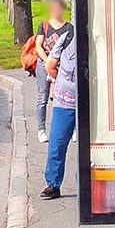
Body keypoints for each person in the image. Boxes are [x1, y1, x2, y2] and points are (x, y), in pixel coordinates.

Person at [40, 22, 78, 200]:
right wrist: (63, 82)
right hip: (64, 102)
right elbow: (50, 65)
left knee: (89, 148)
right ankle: (53, 185)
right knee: (57, 144)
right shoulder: (67, 38)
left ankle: (85, 187)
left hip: (90, 103)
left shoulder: (98, 40)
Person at [32, 0, 73, 144]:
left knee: (64, 98)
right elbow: (38, 45)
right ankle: (41, 130)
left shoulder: (69, 28)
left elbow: (70, 49)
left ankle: (70, 130)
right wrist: (46, 61)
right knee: (42, 97)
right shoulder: (44, 24)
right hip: (43, 64)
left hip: (62, 67)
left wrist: (57, 64)